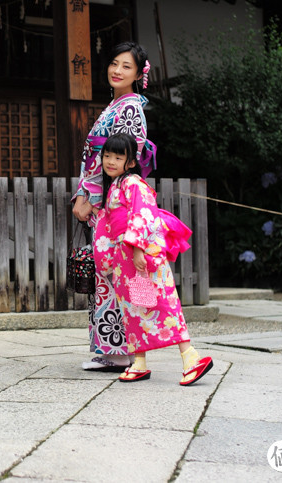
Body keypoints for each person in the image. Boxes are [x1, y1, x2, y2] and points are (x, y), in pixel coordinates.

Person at [90, 132, 213, 386]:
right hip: (126, 260)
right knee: (136, 308)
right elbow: (109, 224)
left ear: (132, 162)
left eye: (118, 157)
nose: (111, 161)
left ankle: (191, 357)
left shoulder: (133, 184)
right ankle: (140, 362)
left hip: (143, 256)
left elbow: (142, 214)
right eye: (107, 156)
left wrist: (137, 248)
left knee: (164, 304)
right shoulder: (114, 186)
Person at [72, 41, 155, 372]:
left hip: (112, 202)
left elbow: (119, 160)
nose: (117, 71)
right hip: (103, 200)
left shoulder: (130, 108)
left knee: (114, 271)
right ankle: (110, 348)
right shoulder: (116, 105)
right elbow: (97, 157)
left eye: (126, 67)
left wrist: (88, 196)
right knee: (105, 271)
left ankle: (122, 350)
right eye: (114, 64)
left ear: (138, 74)